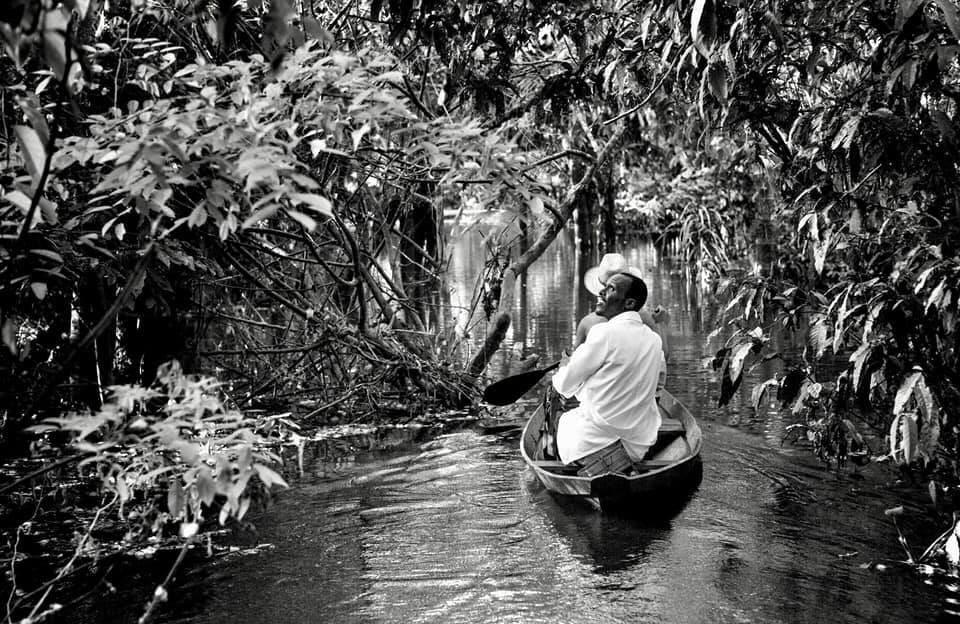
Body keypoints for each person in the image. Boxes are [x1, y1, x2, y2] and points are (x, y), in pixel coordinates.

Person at [550, 271, 665, 465]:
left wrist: (563, 367)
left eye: (610, 289)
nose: (601, 293)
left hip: (590, 443)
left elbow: (564, 384)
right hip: (636, 446)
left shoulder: (602, 332)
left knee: (563, 416)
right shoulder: (654, 339)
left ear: (629, 303)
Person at [576, 253, 670, 358]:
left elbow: (573, 362)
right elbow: (662, 357)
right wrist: (661, 324)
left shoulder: (588, 323)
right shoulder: (644, 317)